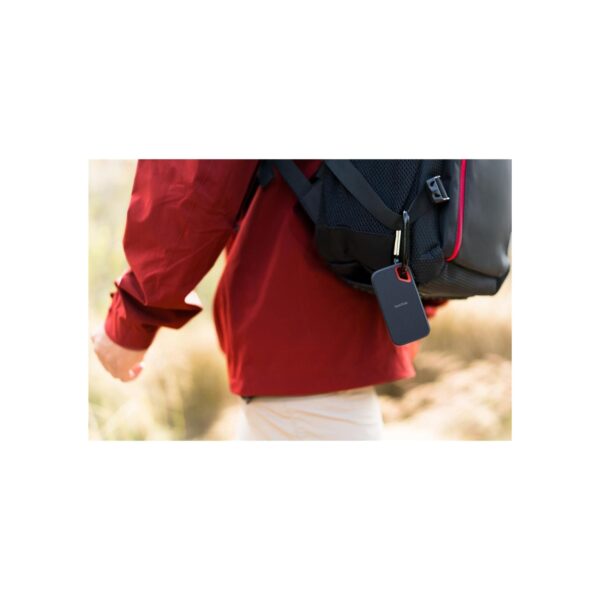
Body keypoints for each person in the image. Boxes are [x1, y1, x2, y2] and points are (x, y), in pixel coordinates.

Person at [92, 160, 442, 440]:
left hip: (296, 335)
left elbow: (195, 178)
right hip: (337, 337)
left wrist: (132, 319)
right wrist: (424, 289)